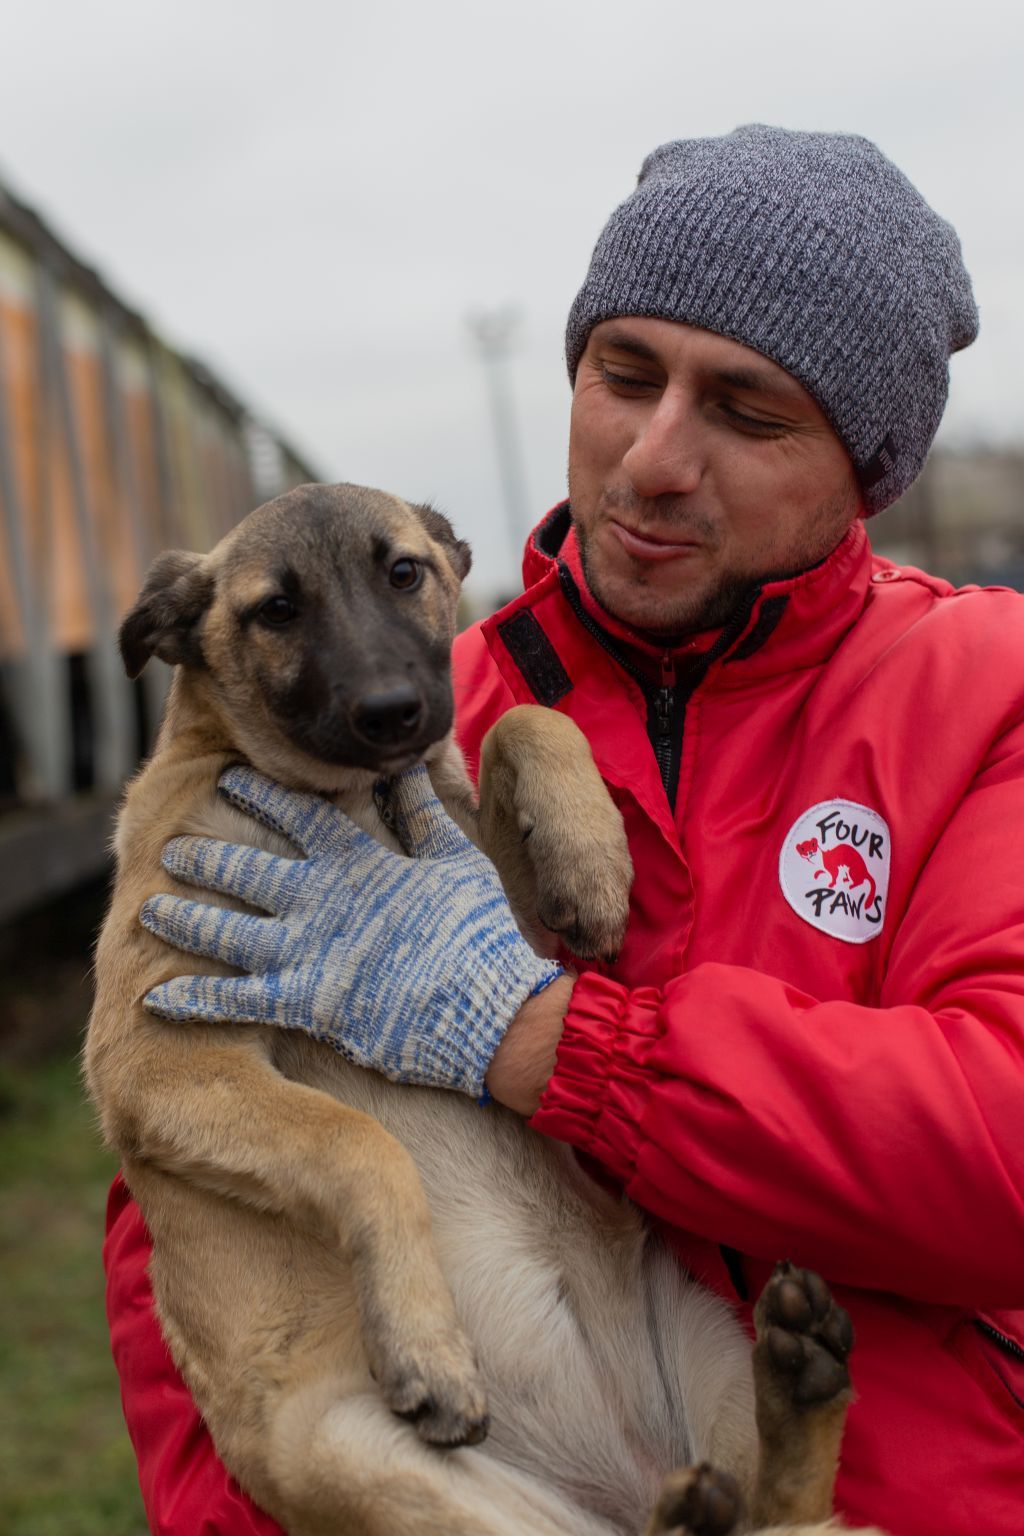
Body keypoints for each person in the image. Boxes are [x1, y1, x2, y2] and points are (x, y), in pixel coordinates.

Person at [104, 125, 1024, 1536]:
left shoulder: (988, 691)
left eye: (749, 413)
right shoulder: (408, 727)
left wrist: (541, 1035)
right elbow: (170, 1222)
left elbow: (1000, 1153)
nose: (653, 459)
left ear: (868, 467)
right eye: (625, 376)